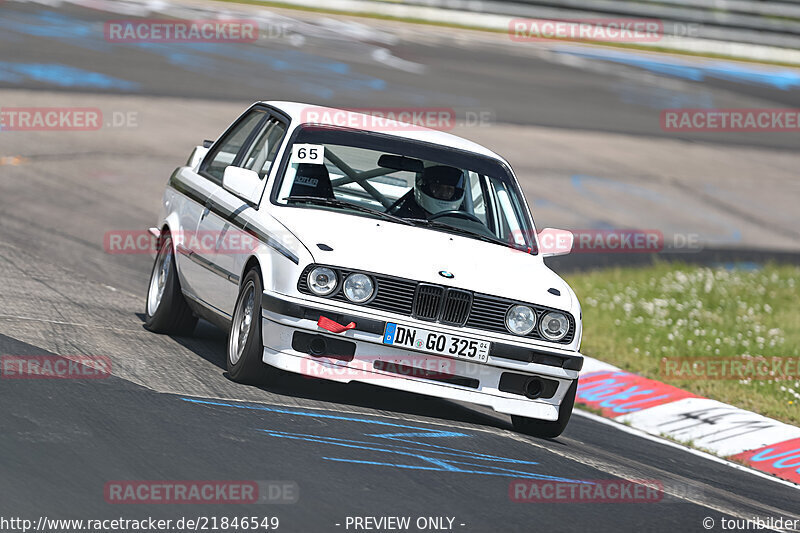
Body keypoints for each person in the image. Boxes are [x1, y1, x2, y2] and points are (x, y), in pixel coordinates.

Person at [390, 165, 466, 219]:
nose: (443, 193)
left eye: (449, 189)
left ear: (455, 193)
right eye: (437, 188)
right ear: (426, 188)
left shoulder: (463, 222)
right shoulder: (403, 219)